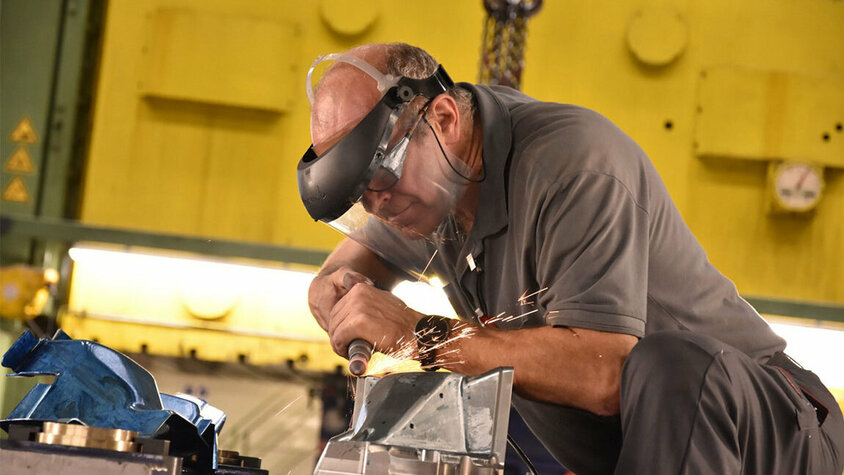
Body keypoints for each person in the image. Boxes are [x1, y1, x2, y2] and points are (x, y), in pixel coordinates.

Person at [296, 42, 844, 474]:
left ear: (443, 120)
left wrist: (423, 337)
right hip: (654, 455)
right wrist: (333, 297)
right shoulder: (428, 191)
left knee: (666, 365)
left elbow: (604, 373)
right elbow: (343, 272)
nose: (378, 206)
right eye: (360, 199)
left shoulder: (574, 165)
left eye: (381, 181)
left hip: (774, 436)